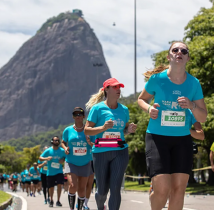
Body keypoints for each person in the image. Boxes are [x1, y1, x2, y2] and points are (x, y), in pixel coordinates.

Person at [137, 41, 207, 210]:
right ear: (169, 56)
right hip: (157, 138)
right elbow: (141, 99)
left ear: (187, 58)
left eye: (184, 50)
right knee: (162, 189)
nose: (179, 52)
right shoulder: (157, 80)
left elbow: (203, 117)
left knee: (178, 190)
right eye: (175, 50)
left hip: (182, 140)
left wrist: (191, 105)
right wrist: (149, 109)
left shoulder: (193, 83)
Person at [84, 78, 137, 210]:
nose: (118, 89)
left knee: (115, 188)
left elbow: (123, 130)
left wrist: (128, 130)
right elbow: (87, 130)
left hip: (120, 150)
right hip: (101, 152)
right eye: (115, 87)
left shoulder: (124, 109)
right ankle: (101, 206)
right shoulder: (97, 109)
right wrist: (102, 128)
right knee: (102, 191)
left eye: (119, 87)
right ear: (106, 89)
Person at [61, 107, 94, 210]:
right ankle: (71, 208)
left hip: (85, 162)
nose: (78, 116)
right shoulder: (68, 130)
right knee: (73, 185)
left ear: (84, 116)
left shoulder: (89, 130)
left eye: (80, 114)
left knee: (81, 189)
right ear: (73, 117)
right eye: (76, 114)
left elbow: (94, 145)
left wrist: (90, 143)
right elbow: (63, 142)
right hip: (71, 162)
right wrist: (65, 148)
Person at [39, 136, 66, 207]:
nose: (56, 141)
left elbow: (67, 157)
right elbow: (40, 158)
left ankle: (58, 200)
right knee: (51, 187)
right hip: (50, 172)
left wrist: (63, 159)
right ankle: (51, 200)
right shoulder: (48, 150)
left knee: (59, 184)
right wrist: (46, 158)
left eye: (57, 140)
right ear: (52, 141)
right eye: (55, 140)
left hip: (59, 171)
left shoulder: (62, 150)